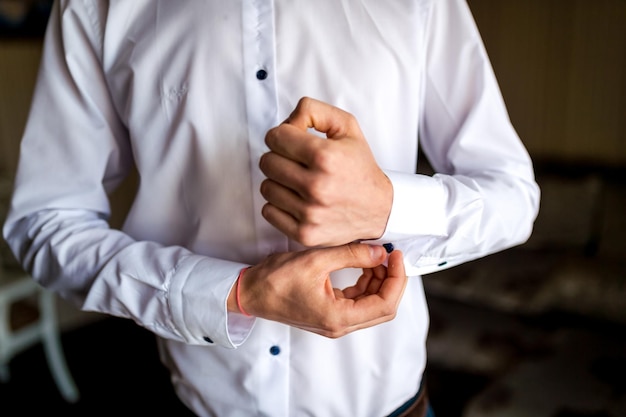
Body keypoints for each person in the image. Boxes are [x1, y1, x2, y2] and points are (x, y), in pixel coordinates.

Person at [2, 1, 540, 416]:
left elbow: (513, 196)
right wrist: (235, 294)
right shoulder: (99, 5)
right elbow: (45, 221)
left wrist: (386, 205)